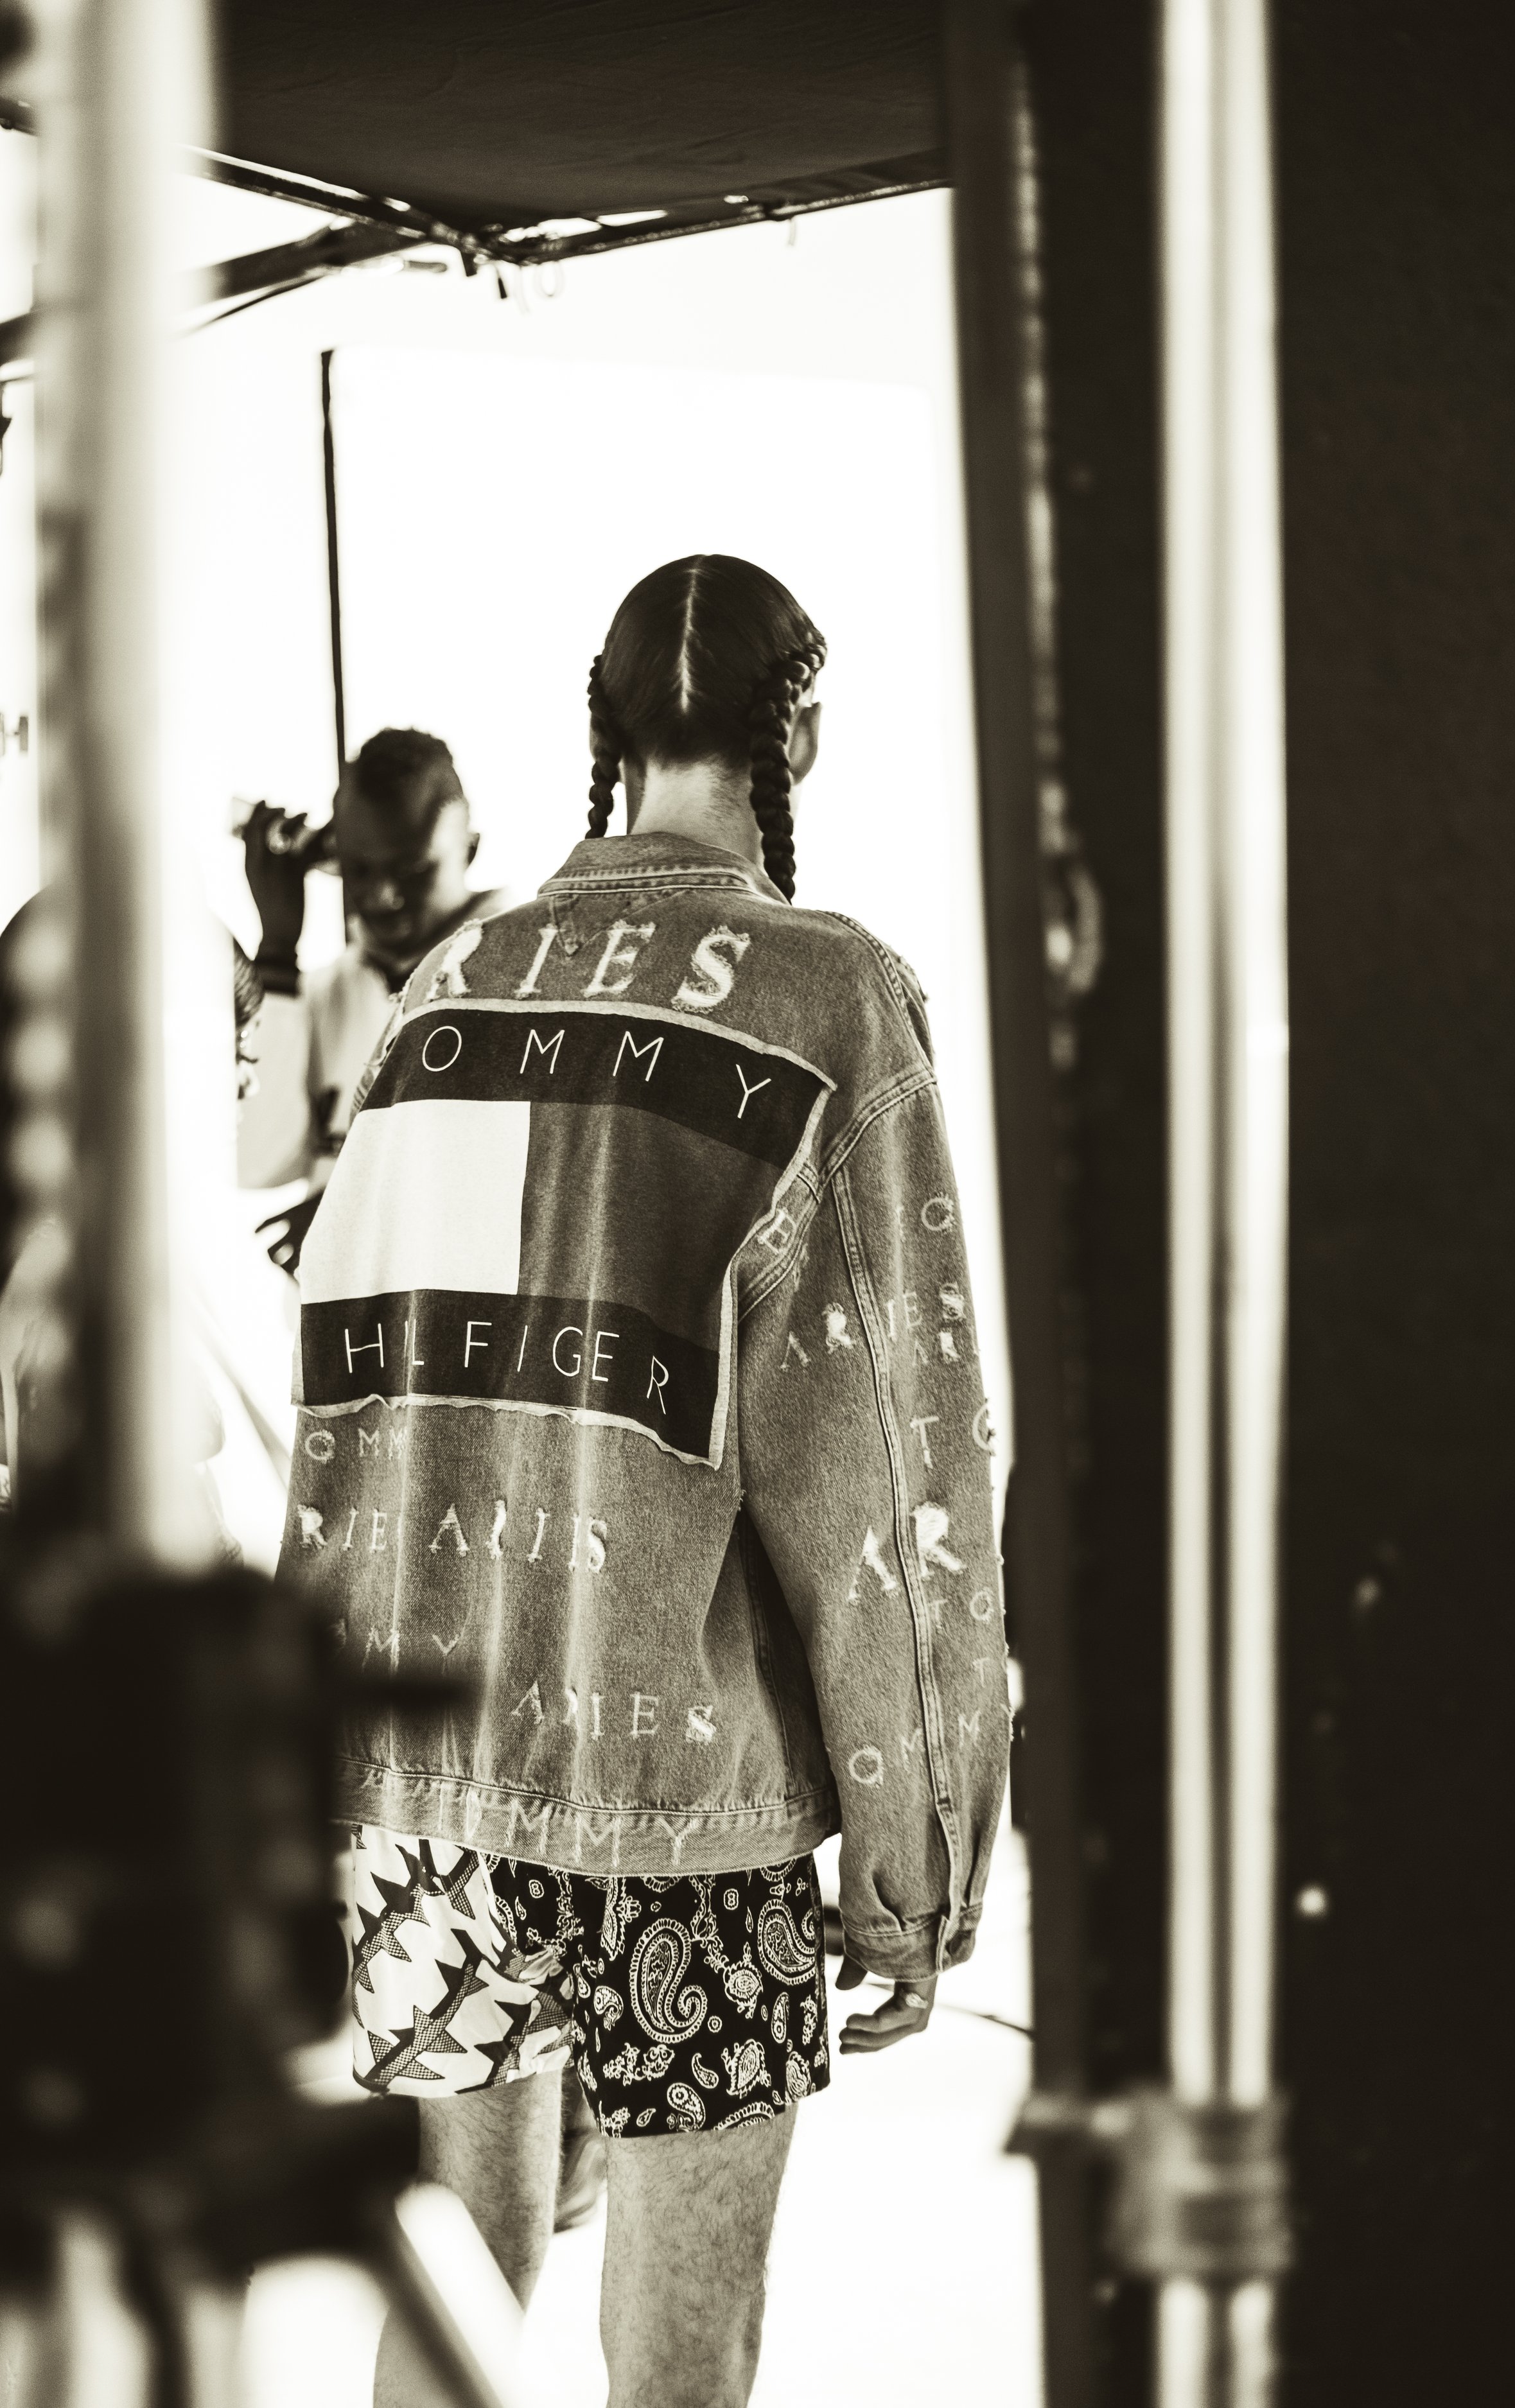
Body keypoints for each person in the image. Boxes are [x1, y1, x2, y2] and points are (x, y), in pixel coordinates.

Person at [283, 557, 1009, 2408]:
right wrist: (917, 1862)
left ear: (601, 734)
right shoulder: (828, 995)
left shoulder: (445, 985)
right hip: (690, 1792)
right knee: (676, 2363)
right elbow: (901, 1486)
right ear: (803, 730)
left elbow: (343, 1383)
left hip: (420, 1783)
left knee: (459, 2291)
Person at [237, 728, 514, 1270]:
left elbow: (516, 1183)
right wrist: (275, 951)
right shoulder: (318, 996)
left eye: (413, 871)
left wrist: (356, 1209)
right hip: (337, 1343)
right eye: (360, 870)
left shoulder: (527, 978)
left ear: (470, 848)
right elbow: (257, 1161)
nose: (382, 896)